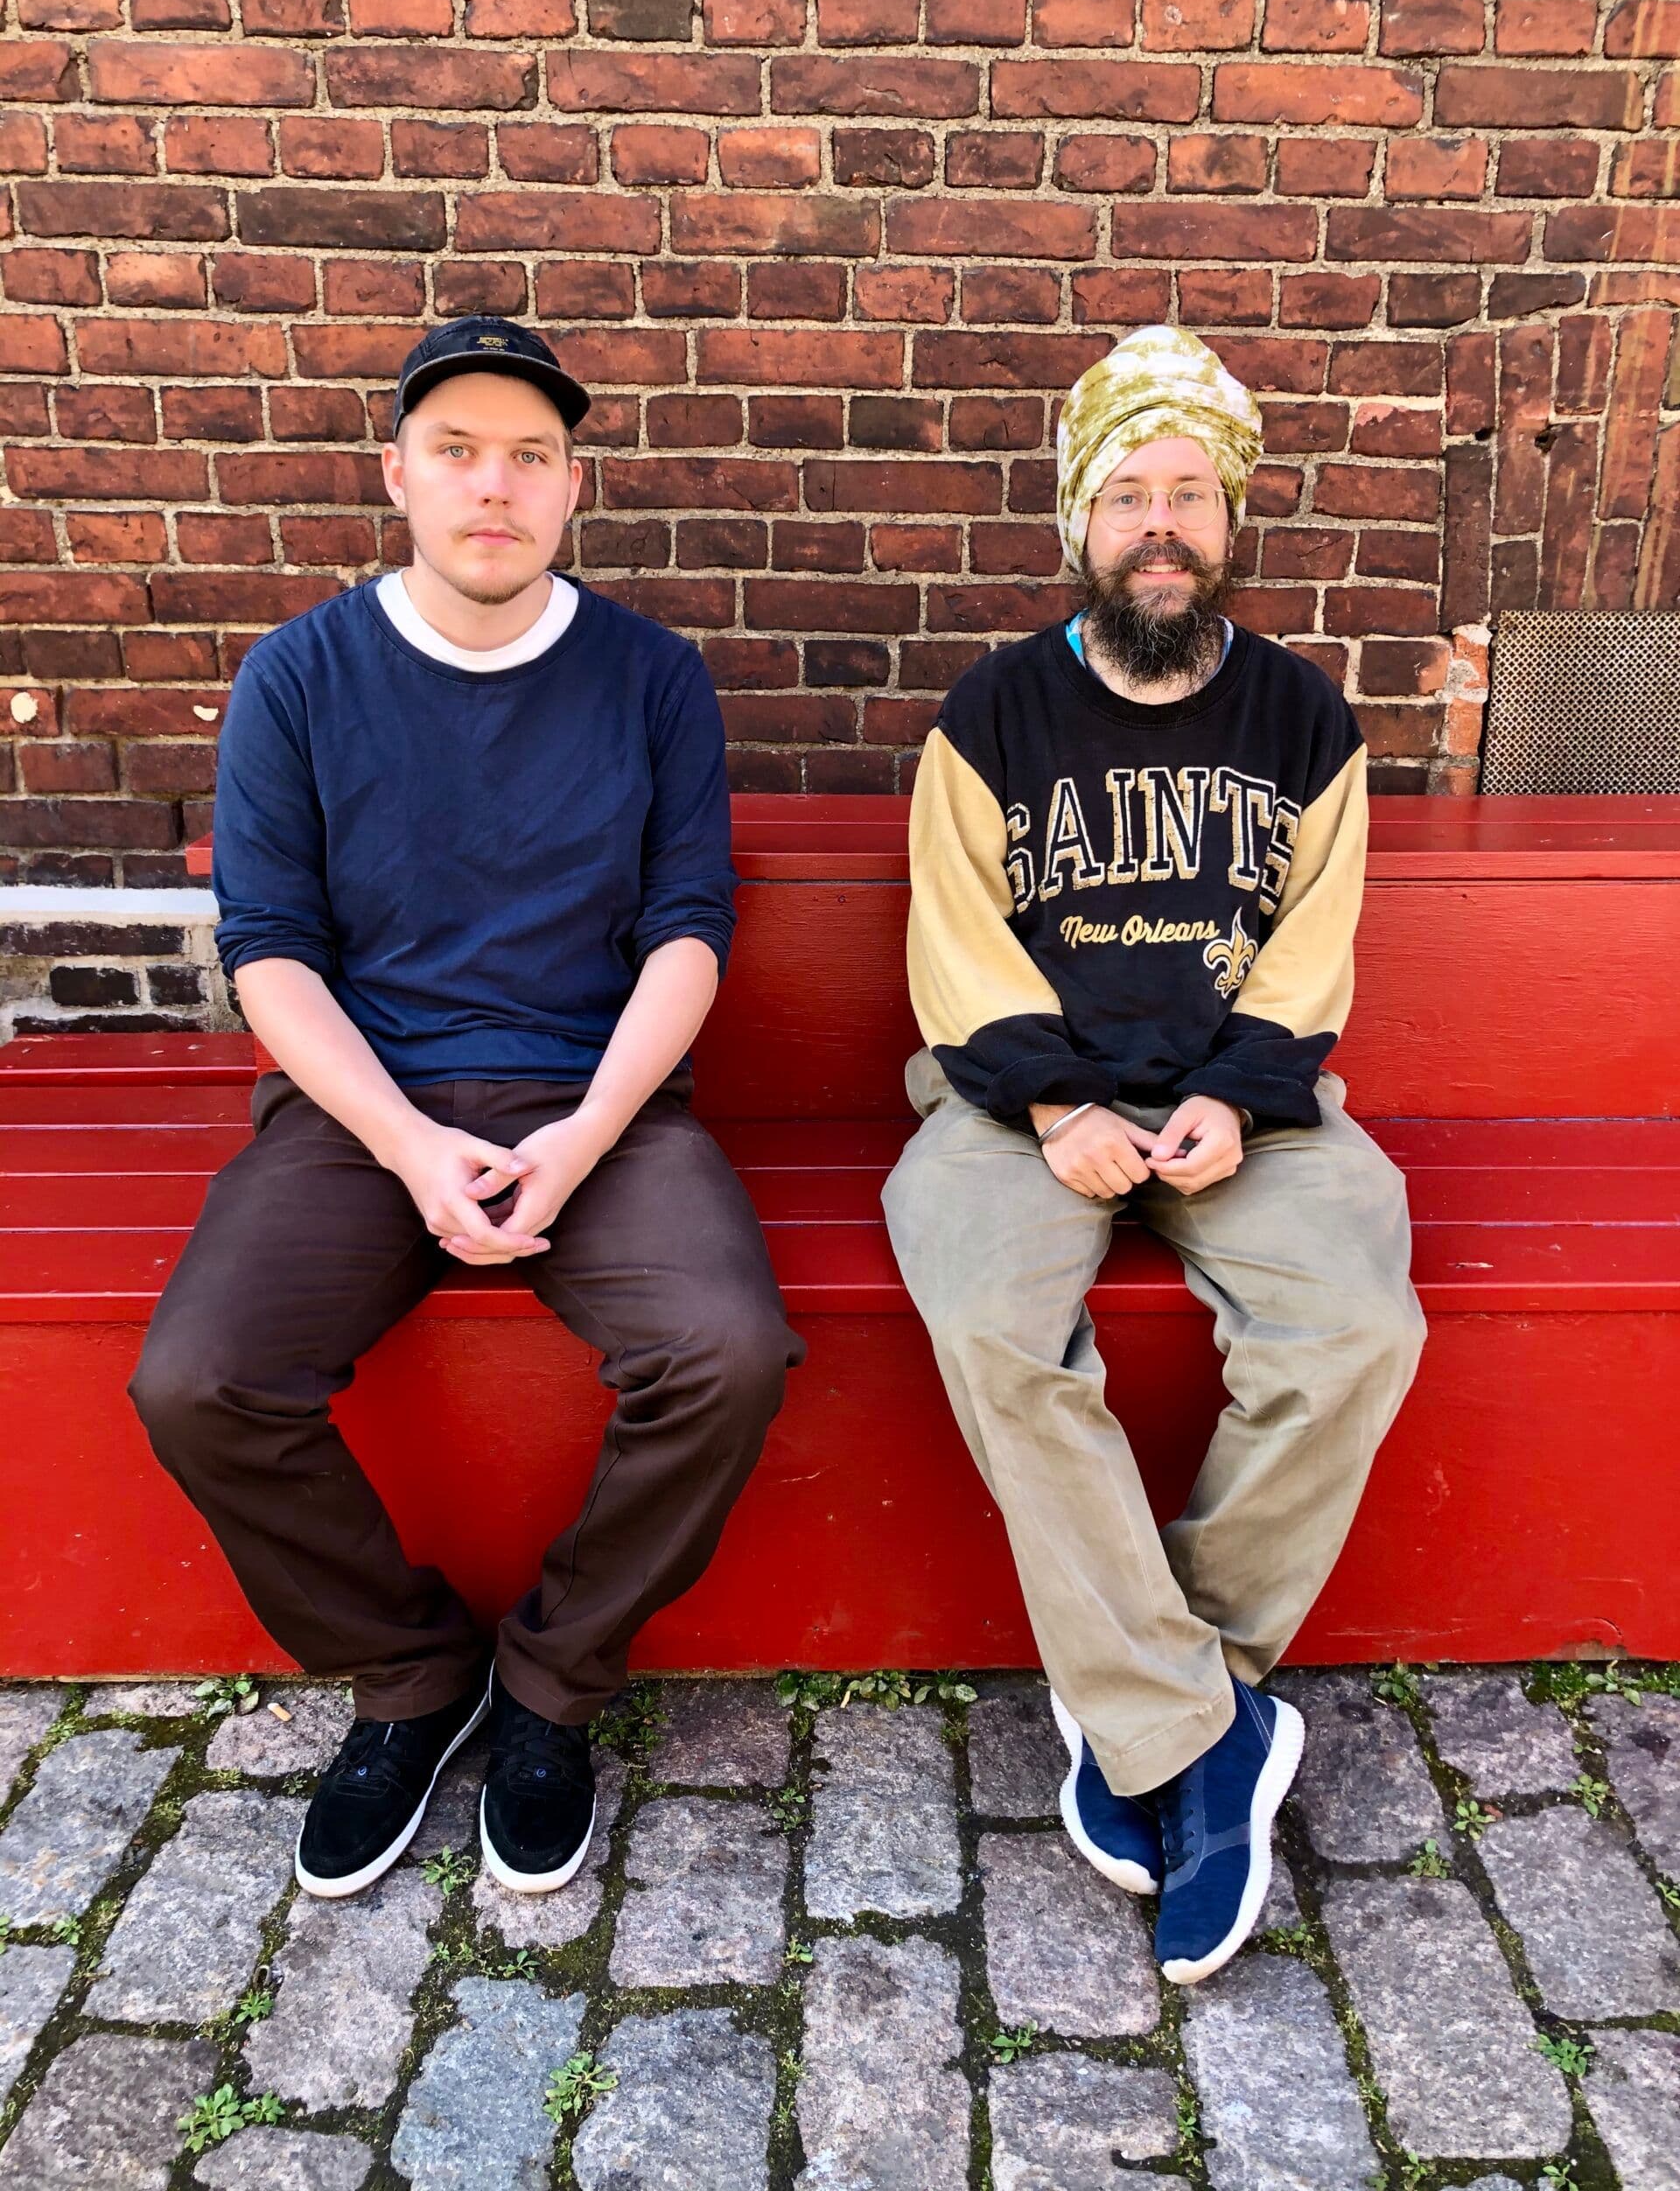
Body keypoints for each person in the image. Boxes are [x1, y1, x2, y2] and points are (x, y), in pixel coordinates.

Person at [129, 316, 805, 1901]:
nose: (492, 485)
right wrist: (405, 1142)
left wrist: (585, 1136)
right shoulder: (300, 676)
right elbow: (271, 953)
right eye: (457, 451)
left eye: (528, 456)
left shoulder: (651, 677)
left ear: (572, 486)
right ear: (398, 475)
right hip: (362, 1105)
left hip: (599, 1098)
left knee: (724, 1354)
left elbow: (687, 932)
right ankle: (412, 1677)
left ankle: (551, 1686)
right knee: (200, 1383)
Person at [882, 323, 1426, 1985]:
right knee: (993, 1325)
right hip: (1018, 1102)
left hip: (1233, 1099)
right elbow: (956, 939)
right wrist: (1058, 1106)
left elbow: (1312, 947)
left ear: (1231, 517)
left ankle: (1167, 1703)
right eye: (1129, 495)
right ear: (1082, 522)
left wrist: (1240, 1101)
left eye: (1191, 493)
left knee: (1354, 1327)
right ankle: (1206, 1734)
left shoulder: (1301, 717)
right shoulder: (993, 713)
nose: (1161, 525)